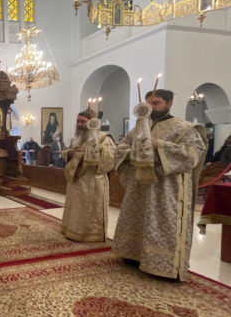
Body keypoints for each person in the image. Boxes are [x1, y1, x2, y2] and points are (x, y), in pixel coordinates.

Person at [112, 89, 207, 281]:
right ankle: (134, 254)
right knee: (139, 218)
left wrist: (158, 145)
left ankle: (163, 264)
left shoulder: (184, 128)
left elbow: (191, 155)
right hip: (139, 187)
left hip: (166, 189)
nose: (151, 108)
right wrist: (133, 152)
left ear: (169, 103)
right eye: (148, 104)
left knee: (163, 222)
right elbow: (120, 148)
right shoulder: (138, 128)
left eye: (156, 103)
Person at [61, 110, 115, 242]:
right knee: (76, 208)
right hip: (76, 180)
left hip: (93, 181)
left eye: (83, 122)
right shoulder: (76, 138)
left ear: (91, 123)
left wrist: (99, 149)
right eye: (78, 121)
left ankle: (89, 234)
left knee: (89, 209)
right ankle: (72, 230)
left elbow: (112, 156)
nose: (79, 124)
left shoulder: (104, 138)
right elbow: (67, 152)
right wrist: (70, 152)